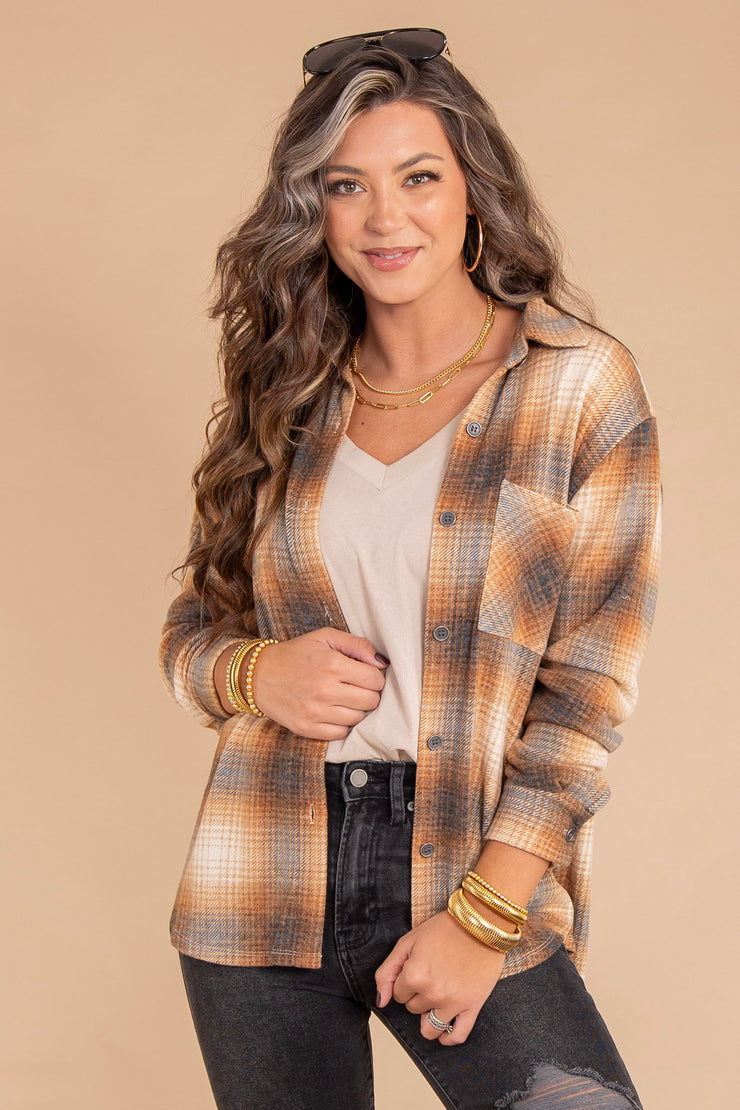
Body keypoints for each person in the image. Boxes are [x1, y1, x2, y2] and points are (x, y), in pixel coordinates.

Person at [159, 29, 661, 1110]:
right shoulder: (286, 391)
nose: (386, 218)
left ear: (474, 190)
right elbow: (193, 633)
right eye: (348, 186)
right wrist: (257, 673)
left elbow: (585, 697)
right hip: (260, 872)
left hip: (468, 859)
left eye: (418, 177)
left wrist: (485, 914)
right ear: (314, 209)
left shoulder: (576, 386)